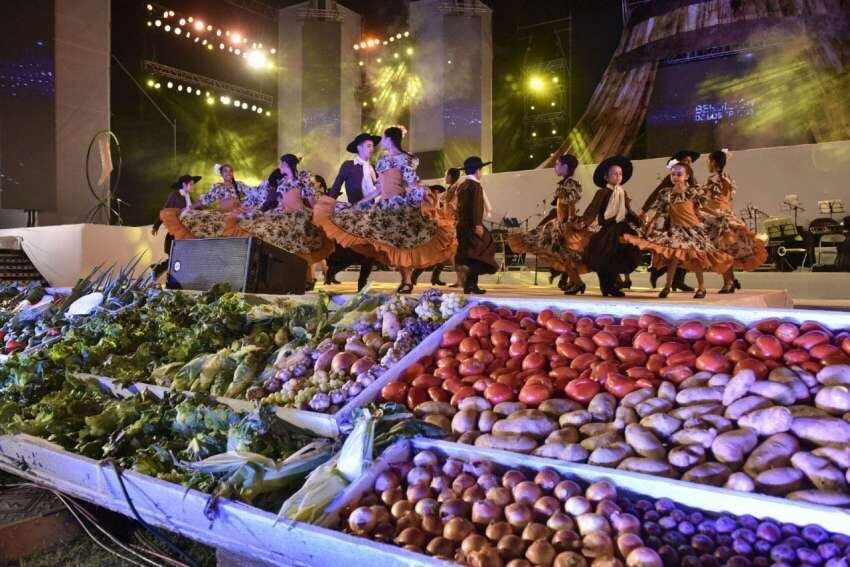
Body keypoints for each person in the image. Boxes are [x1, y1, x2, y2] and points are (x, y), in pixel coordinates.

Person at [313, 126, 456, 294]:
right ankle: (405, 280)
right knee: (393, 246)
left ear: (390, 139)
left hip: (402, 208)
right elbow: (379, 189)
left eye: (383, 138)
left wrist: (425, 193)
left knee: (405, 245)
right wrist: (361, 202)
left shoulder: (407, 159)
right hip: (386, 208)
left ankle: (407, 281)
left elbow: (411, 184)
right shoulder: (382, 161)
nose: (380, 142)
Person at [623, 162, 733, 299]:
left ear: (687, 176)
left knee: (695, 259)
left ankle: (701, 287)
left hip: (693, 230)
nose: (675, 176)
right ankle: (667, 286)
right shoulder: (666, 193)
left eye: (679, 174)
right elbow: (660, 211)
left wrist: (717, 214)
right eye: (673, 174)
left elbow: (702, 207)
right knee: (674, 258)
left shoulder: (692, 192)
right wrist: (651, 222)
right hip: (677, 231)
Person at [226, 154, 333, 290]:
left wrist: (318, 214)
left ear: (287, 165)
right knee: (262, 227)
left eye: (281, 164)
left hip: (298, 214)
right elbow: (277, 200)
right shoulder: (281, 182)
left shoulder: (302, 179)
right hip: (282, 213)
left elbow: (311, 200)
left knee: (293, 235)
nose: (279, 167)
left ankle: (304, 278)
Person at [508, 154, 591, 294]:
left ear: (565, 167)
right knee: (562, 254)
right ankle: (575, 282)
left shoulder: (569, 183)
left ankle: (577, 283)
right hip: (560, 224)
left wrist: (569, 223)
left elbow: (571, 204)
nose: (555, 167)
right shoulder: (567, 183)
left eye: (557, 164)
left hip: (563, 225)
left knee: (563, 254)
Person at [699, 149, 767, 293]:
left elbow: (710, 200)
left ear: (714, 162)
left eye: (709, 161)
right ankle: (730, 280)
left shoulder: (713, 179)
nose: (707, 164)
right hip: (727, 214)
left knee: (721, 250)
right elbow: (727, 198)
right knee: (725, 250)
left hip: (717, 217)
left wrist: (701, 207)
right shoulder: (728, 177)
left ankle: (729, 281)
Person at [322, 133, 382, 290]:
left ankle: (361, 285)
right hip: (355, 213)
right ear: (359, 147)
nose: (372, 149)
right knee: (355, 250)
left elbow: (379, 189)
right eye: (368, 146)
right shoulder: (349, 165)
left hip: (371, 214)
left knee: (370, 251)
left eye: (372, 146)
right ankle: (333, 271)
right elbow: (336, 186)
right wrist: (328, 203)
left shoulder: (373, 168)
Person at [579, 156, 642, 297]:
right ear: (606, 177)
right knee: (604, 259)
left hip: (621, 229)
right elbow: (593, 209)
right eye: (615, 173)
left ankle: (611, 286)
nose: (618, 176)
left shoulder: (622, 192)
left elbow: (627, 210)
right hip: (607, 231)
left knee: (620, 257)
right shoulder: (602, 192)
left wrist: (638, 221)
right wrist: (584, 222)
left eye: (620, 174)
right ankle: (607, 286)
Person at [641, 150, 701, 292]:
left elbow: (697, 200)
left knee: (686, 252)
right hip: (674, 221)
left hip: (690, 222)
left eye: (690, 161)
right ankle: (659, 272)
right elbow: (657, 194)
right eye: (686, 161)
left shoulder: (691, 179)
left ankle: (677, 281)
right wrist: (644, 210)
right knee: (675, 252)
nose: (689, 163)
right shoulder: (672, 179)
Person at [455, 156, 499, 294]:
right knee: (484, 249)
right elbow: (476, 207)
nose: (481, 173)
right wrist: (478, 225)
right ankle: (470, 281)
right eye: (481, 170)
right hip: (472, 225)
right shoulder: (475, 186)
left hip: (462, 226)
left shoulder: (462, 185)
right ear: (477, 171)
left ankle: (470, 285)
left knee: (472, 255)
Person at [151, 174, 201, 278]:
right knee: (176, 257)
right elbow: (165, 210)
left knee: (182, 257)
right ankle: (162, 271)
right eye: (191, 184)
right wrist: (156, 225)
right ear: (184, 184)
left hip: (186, 232)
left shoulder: (189, 197)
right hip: (176, 232)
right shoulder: (175, 196)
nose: (193, 186)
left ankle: (160, 269)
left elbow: (197, 210)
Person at [411, 184, 449, 286]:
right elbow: (432, 214)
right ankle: (414, 276)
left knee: (443, 255)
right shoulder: (426, 201)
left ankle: (435, 278)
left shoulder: (434, 201)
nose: (439, 195)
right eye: (438, 193)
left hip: (436, 232)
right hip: (428, 234)